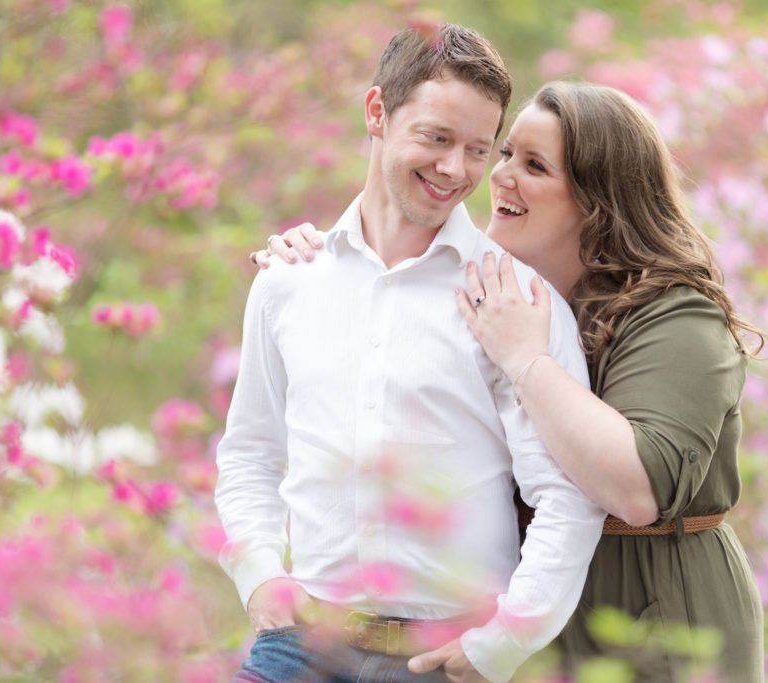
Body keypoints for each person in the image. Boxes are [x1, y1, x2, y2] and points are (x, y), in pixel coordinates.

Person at [253, 80, 766, 682]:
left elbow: (636, 490)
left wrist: (527, 361)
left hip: (655, 600)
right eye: (504, 155)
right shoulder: (510, 298)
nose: (499, 177)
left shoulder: (677, 315)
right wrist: (325, 257)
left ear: (598, 199)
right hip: (534, 609)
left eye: (535, 165)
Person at [216, 26, 606, 683]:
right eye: (436, 138)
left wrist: (503, 643)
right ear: (377, 112)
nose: (456, 169)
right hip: (299, 644)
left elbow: (565, 496)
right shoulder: (288, 279)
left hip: (443, 661)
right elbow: (251, 451)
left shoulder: (516, 301)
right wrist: (257, 574)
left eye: (478, 149)